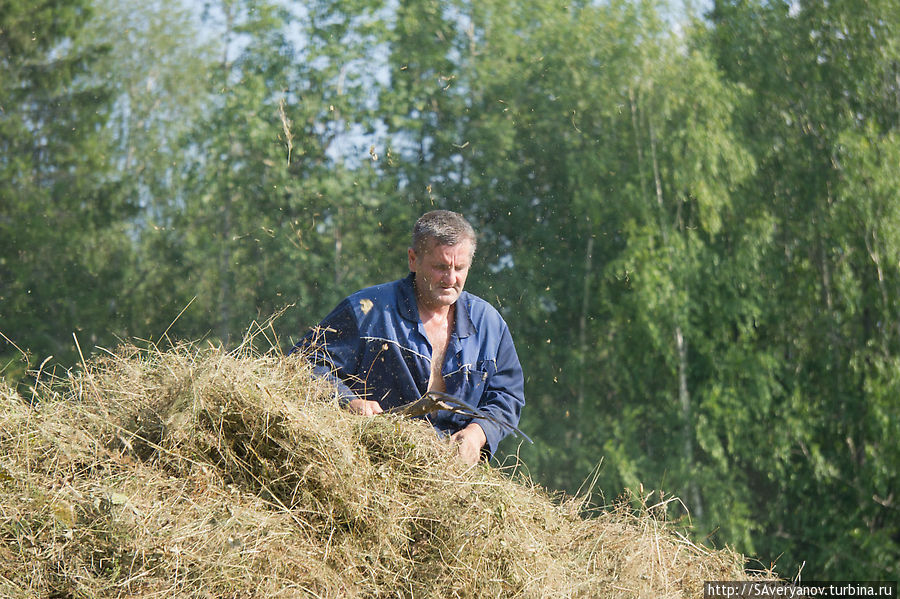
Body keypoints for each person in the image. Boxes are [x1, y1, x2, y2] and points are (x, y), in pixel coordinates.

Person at [291, 210, 525, 464]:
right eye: (440, 267)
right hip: (373, 467)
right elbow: (302, 364)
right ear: (413, 260)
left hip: (454, 480)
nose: (451, 279)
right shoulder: (367, 310)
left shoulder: (489, 324)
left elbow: (507, 395)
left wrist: (477, 434)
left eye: (460, 268)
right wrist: (348, 401)